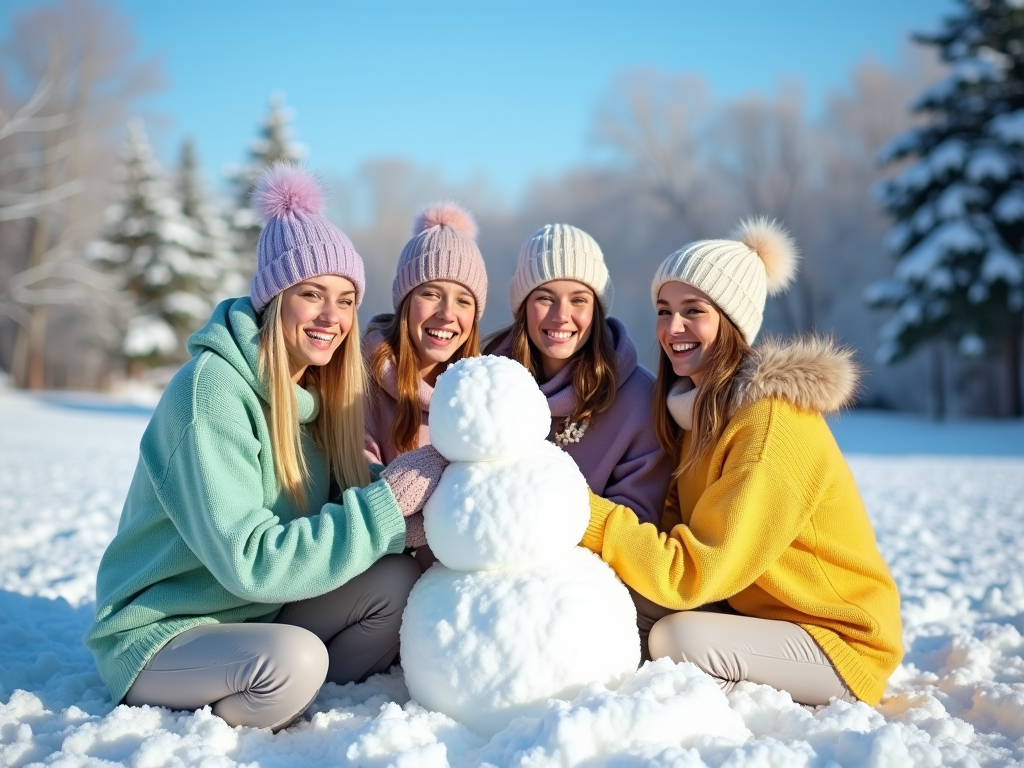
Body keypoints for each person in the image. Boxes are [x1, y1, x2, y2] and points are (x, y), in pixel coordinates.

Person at [85, 164, 447, 731]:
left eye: (347, 299)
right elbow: (252, 565)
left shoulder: (317, 392)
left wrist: (417, 518)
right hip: (168, 629)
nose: (333, 317)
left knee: (395, 585)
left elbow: (348, 516)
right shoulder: (211, 393)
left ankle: (301, 699)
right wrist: (387, 508)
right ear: (275, 298)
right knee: (295, 662)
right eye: (312, 294)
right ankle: (230, 725)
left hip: (261, 615)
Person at [581, 218, 903, 706]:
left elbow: (694, 573)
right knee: (618, 597)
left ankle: (723, 709)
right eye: (664, 311)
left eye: (694, 311)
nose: (673, 328)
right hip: (756, 615)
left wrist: (586, 514)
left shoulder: (769, 424)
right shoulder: (695, 414)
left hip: (836, 640)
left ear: (733, 322)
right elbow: (672, 531)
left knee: (675, 640)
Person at [485, 223, 672, 524]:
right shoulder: (488, 382)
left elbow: (635, 526)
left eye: (578, 300)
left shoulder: (640, 401)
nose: (561, 316)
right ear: (523, 307)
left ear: (596, 309)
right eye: (545, 298)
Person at [362, 201, 486, 561]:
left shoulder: (480, 394)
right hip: (382, 571)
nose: (447, 314)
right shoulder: (359, 385)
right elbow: (362, 503)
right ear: (405, 302)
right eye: (431, 294)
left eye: (463, 300)